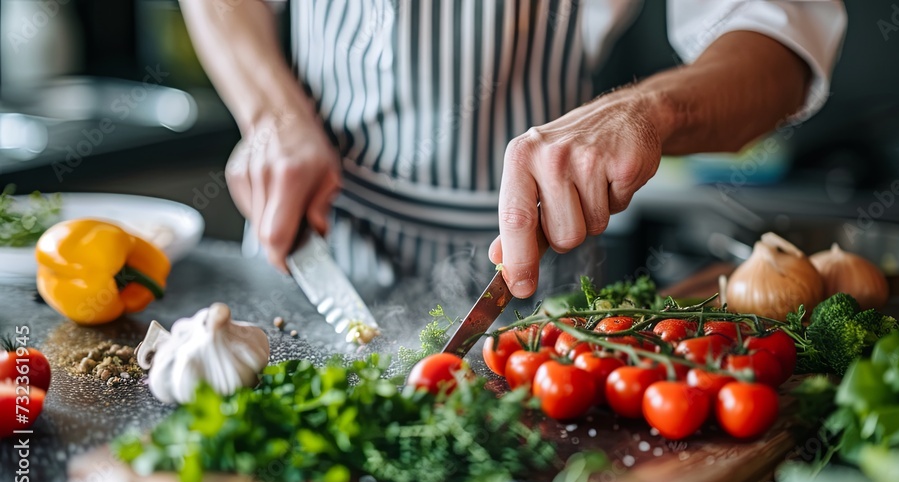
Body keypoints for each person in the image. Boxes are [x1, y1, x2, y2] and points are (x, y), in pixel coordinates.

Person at [180, 0, 846, 299]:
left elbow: (777, 47)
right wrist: (271, 113)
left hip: (525, 289)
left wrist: (646, 108)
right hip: (310, 245)